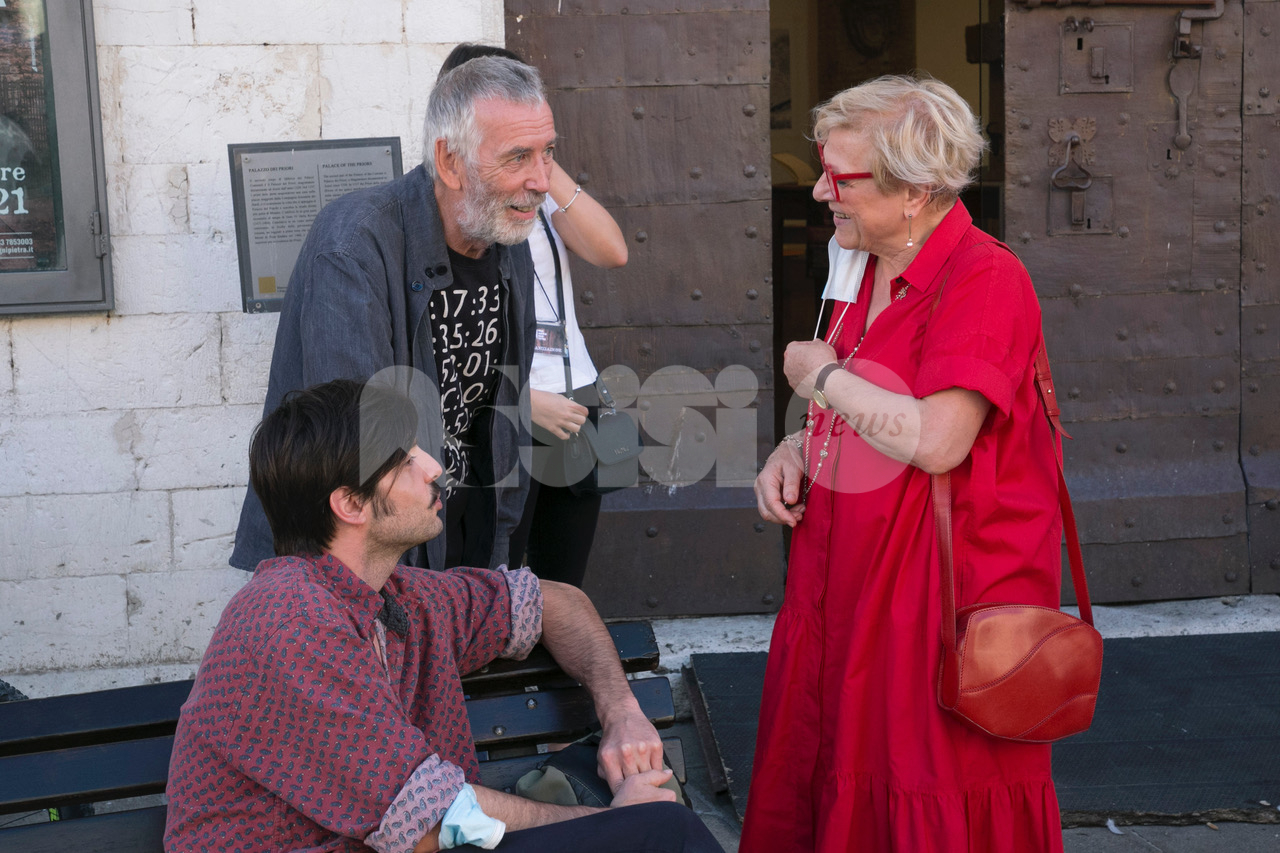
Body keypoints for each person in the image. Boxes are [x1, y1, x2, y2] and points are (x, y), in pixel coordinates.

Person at [166, 378, 724, 853]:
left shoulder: (400, 597)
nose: (434, 467)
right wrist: (615, 822)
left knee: (657, 827)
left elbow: (554, 602)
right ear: (352, 504)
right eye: (405, 461)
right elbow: (432, 824)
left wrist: (622, 713)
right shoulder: (288, 619)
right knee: (662, 832)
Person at [744, 75, 1066, 852]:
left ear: (916, 190)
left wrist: (821, 376)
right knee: (829, 768)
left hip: (933, 605)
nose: (820, 191)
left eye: (841, 177)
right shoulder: (859, 261)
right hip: (843, 588)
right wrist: (797, 447)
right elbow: (865, 405)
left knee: (920, 786)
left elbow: (937, 439)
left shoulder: (986, 278)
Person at [231, 55, 549, 575]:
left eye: (547, 152)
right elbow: (357, 451)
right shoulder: (354, 245)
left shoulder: (507, 237)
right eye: (517, 157)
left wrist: (499, 546)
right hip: (361, 566)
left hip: (461, 536)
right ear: (449, 162)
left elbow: (505, 413)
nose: (541, 180)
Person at [435, 44, 630, 587]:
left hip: (573, 396)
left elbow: (612, 251)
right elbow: (443, 327)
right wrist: (519, 401)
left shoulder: (539, 190)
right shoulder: (456, 200)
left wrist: (537, 159)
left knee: (562, 580)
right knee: (494, 578)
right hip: (506, 408)